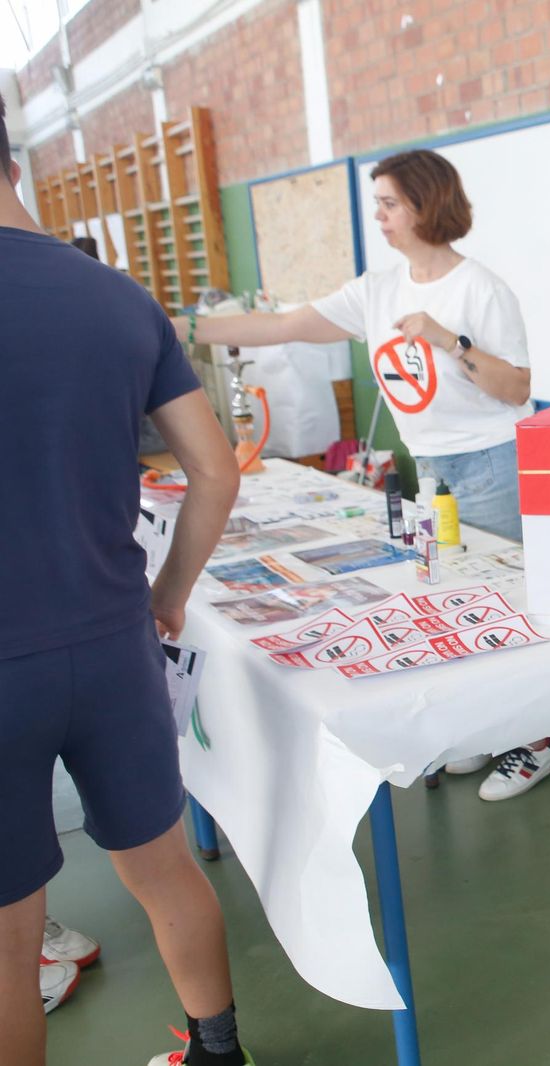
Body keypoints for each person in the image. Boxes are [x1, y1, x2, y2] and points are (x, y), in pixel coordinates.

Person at [175, 149, 550, 803]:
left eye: (388, 203)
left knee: (504, 604)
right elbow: (281, 324)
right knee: (454, 602)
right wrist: (183, 327)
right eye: (376, 203)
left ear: (424, 204)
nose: (377, 216)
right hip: (432, 467)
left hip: (491, 462)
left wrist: (450, 342)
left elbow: (517, 386)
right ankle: (487, 729)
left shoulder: (480, 289)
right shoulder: (376, 291)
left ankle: (537, 740)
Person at [0, 98, 251, 1066]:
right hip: (112, 641)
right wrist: (168, 594)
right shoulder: (115, 294)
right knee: (162, 867)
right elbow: (216, 470)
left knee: (12, 938)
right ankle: (218, 1051)